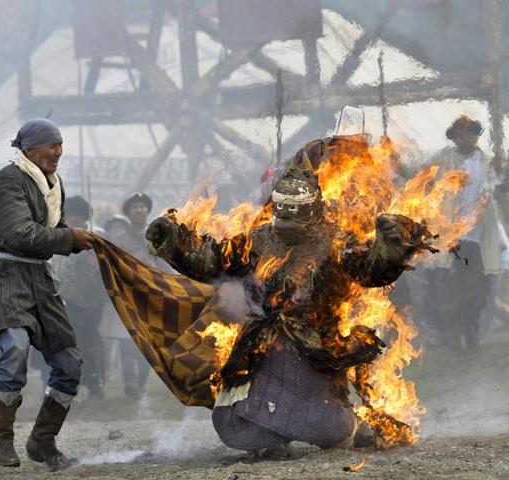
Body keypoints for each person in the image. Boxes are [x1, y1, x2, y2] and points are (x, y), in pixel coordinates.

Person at [145, 168, 431, 451]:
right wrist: (176, 243)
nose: (286, 219)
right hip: (259, 342)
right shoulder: (258, 239)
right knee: (233, 425)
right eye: (282, 210)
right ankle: (273, 438)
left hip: (313, 345)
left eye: (296, 211)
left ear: (313, 209)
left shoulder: (336, 241)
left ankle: (354, 428)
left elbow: (369, 270)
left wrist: (390, 249)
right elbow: (214, 261)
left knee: (329, 428)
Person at [0, 118, 93, 471]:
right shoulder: (7, 181)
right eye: (51, 144)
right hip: (5, 276)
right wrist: (69, 238)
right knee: (15, 350)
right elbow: (20, 234)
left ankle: (42, 440)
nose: (59, 151)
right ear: (29, 150)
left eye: (61, 144)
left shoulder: (54, 183)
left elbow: (52, 229)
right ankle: (1, 443)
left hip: (39, 278)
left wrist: (76, 241)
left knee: (69, 363)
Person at [407, 116, 502, 347]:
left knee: (477, 287)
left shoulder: (487, 162)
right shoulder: (443, 158)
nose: (465, 138)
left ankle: (470, 330)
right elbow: (419, 172)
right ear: (456, 137)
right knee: (448, 286)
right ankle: (452, 333)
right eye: (461, 134)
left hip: (477, 238)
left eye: (470, 133)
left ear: (476, 136)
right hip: (449, 237)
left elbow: (493, 191)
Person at [53, 196, 108, 400]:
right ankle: (70, 381)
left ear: (84, 216)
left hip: (95, 298)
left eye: (78, 214)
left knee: (88, 337)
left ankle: (94, 380)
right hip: (68, 297)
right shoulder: (59, 236)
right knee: (70, 340)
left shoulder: (98, 236)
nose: (74, 218)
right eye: (71, 214)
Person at [107, 193, 155, 400]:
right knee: (127, 340)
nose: (139, 210)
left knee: (149, 342)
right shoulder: (120, 238)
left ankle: (140, 383)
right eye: (135, 207)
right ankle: (130, 382)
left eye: (142, 206)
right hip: (128, 295)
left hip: (152, 296)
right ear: (128, 212)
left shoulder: (157, 235)